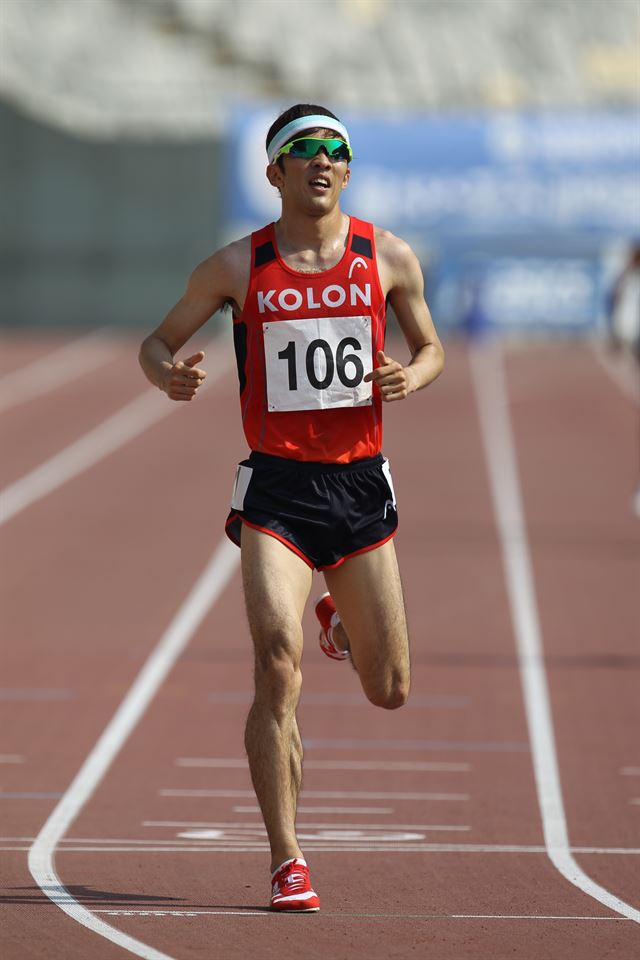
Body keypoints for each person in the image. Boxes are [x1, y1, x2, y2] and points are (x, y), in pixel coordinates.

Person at [139, 103, 444, 912]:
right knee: (276, 662)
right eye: (303, 150)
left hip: (358, 485)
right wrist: (166, 373)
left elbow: (433, 344)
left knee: (391, 689)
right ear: (273, 172)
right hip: (275, 486)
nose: (322, 160)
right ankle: (287, 858)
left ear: (347, 169)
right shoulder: (237, 267)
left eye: (335, 150)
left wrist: (414, 374)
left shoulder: (388, 257)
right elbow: (157, 340)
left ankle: (340, 623)